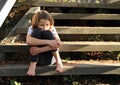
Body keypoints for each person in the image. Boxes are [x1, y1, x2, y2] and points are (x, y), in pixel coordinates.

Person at [26, 10, 63, 76]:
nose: (44, 28)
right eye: (41, 25)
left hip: (49, 58)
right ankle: (32, 64)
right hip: (37, 58)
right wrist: (49, 42)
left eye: (47, 25)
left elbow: (58, 43)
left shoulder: (52, 28)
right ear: (36, 24)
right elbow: (29, 41)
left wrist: (39, 50)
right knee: (36, 32)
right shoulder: (31, 28)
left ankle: (59, 61)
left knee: (47, 32)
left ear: (50, 23)